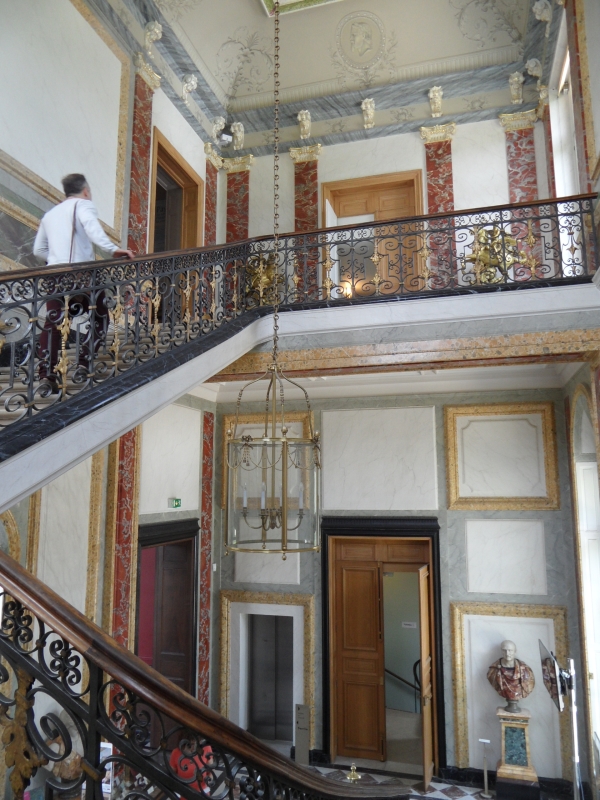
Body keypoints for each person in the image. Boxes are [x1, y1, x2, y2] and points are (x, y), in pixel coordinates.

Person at [32, 173, 134, 388]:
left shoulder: (50, 214)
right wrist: (113, 249)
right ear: (85, 191)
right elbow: (92, 229)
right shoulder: (83, 205)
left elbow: (38, 250)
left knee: (53, 323)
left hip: (55, 275)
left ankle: (46, 375)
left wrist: (56, 259)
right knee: (100, 316)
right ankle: (83, 362)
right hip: (81, 275)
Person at [487, 639, 535, 712]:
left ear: (515, 651)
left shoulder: (525, 670)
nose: (507, 653)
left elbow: (529, 685)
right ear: (501, 651)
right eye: (504, 650)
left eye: (510, 650)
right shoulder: (494, 670)